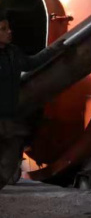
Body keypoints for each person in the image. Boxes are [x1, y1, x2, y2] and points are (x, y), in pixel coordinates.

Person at [0, 12, 48, 186]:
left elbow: (31, 63)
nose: (9, 31)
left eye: (8, 27)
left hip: (9, 116)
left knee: (12, 151)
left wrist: (53, 50)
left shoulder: (13, 53)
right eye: (3, 29)